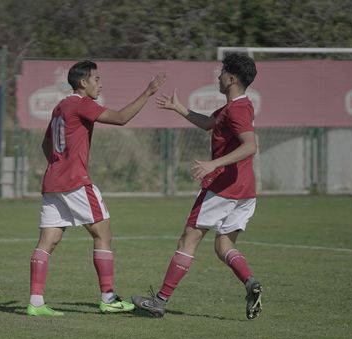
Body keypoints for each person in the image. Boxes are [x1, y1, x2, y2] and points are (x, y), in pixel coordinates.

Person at [26, 60, 166, 316]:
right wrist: (148, 92)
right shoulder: (81, 104)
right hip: (74, 182)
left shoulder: (60, 106)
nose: (100, 84)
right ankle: (109, 297)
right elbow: (121, 118)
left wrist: (59, 165)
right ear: (83, 82)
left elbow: (46, 145)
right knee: (103, 233)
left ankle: (35, 302)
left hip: (53, 182)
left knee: (48, 240)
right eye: (97, 79)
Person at [132, 53, 263, 320]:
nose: (218, 76)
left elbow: (251, 146)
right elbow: (208, 124)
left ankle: (159, 301)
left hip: (224, 188)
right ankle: (251, 284)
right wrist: (178, 107)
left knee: (187, 241)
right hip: (246, 190)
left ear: (231, 78)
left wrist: (215, 164)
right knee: (223, 246)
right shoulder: (237, 106)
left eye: (222, 72)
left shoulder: (236, 110)